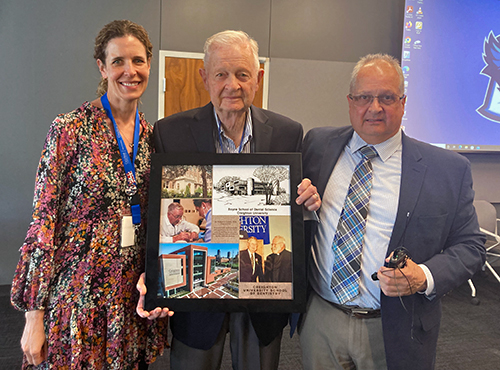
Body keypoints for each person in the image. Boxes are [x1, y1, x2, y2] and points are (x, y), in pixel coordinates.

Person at [136, 30, 320, 370]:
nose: (231, 85)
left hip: (263, 299)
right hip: (196, 295)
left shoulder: (288, 133)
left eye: (242, 74)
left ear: (258, 78)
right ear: (205, 77)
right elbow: (155, 210)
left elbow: (294, 210)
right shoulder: (169, 132)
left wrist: (307, 197)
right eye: (221, 74)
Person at [297, 53, 486, 370]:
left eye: (386, 97)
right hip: (321, 319)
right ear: (349, 101)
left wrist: (423, 276)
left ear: (403, 102)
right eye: (364, 97)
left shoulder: (446, 170)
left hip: (396, 325)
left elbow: (470, 247)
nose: (374, 108)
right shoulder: (318, 144)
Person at [10, 20, 167, 369]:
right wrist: (34, 315)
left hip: (129, 299)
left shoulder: (154, 139)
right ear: (102, 67)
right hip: (76, 299)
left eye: (138, 61)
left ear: (149, 65)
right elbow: (43, 222)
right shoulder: (69, 129)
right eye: (118, 62)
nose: (130, 71)